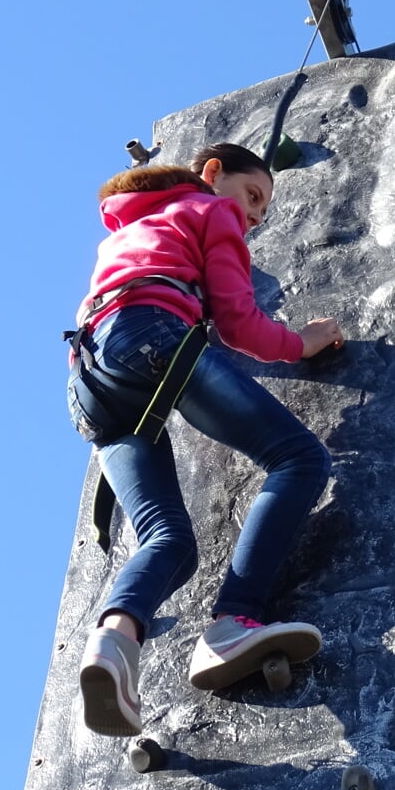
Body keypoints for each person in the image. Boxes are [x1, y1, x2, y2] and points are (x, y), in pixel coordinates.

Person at [65, 142, 344, 737]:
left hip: (91, 383)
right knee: (299, 459)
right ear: (212, 174)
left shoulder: (133, 226)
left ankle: (114, 645)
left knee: (169, 541)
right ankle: (231, 624)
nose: (253, 218)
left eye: (261, 213)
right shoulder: (209, 211)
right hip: (153, 336)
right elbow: (240, 325)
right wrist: (303, 342)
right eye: (252, 197)